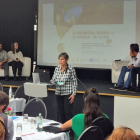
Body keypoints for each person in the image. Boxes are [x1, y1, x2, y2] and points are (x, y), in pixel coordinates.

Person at [50, 52, 78, 124]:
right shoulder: (57, 69)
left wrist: (73, 94)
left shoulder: (71, 69)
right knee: (60, 113)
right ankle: (62, 129)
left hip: (68, 94)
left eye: (62, 59)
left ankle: (70, 132)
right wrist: (50, 81)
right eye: (59, 59)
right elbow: (53, 80)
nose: (60, 61)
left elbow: (74, 82)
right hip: (58, 93)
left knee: (68, 113)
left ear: (66, 60)